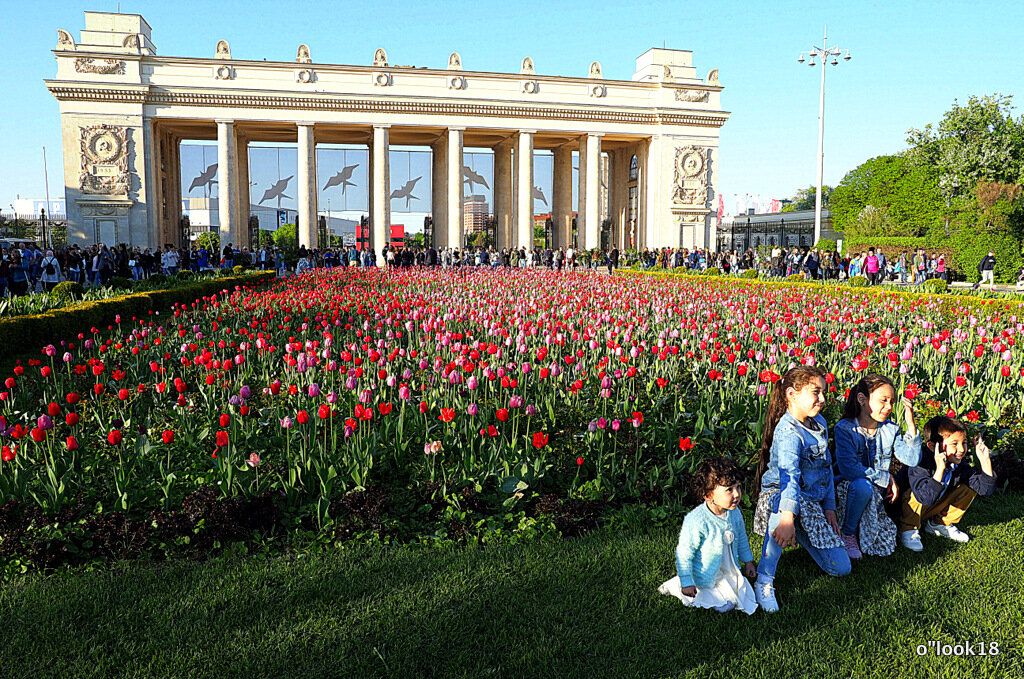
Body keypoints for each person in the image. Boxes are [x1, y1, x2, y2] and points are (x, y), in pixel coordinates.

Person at [752, 365, 850, 613]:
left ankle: (801, 531)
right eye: (815, 392)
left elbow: (826, 466)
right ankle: (764, 579)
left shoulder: (819, 423)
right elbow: (788, 478)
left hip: (811, 502)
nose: (823, 399)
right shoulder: (788, 433)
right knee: (780, 507)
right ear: (791, 394)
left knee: (841, 568)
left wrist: (829, 508)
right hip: (782, 497)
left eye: (824, 392)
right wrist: (787, 518)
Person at [832, 374, 921, 560]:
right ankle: (848, 533)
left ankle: (861, 529)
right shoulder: (845, 429)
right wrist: (885, 477)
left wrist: (910, 424)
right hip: (848, 490)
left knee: (886, 545)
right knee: (862, 486)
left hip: (877, 495)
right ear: (862, 399)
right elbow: (849, 468)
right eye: (883, 400)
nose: (889, 407)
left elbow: (911, 459)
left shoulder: (890, 430)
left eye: (891, 401)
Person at [657, 457, 758, 615]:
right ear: (708, 495)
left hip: (727, 567)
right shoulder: (697, 521)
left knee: (742, 590)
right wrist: (687, 582)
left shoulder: (734, 513)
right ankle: (679, 584)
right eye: (729, 490)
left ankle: (724, 593)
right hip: (704, 573)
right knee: (714, 596)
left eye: (738, 487)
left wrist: (748, 561)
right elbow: (685, 553)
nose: (737, 494)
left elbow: (742, 538)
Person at [895, 416, 996, 551]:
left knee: (968, 489)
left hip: (930, 505)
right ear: (932, 446)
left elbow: (984, 490)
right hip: (908, 508)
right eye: (954, 444)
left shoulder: (958, 465)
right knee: (915, 493)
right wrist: (940, 470)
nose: (961, 449)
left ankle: (939, 523)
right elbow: (924, 497)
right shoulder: (920, 463)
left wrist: (985, 462)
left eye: (964, 442)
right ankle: (908, 528)